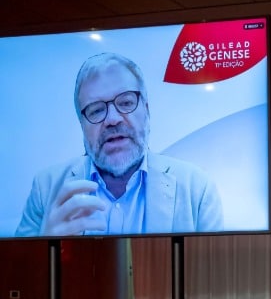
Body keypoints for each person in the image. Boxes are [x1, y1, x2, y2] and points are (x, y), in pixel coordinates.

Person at [15, 52, 222, 237]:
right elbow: (17, 268)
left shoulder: (196, 189)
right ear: (82, 125)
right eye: (96, 110)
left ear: (147, 110)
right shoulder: (46, 188)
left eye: (126, 102)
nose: (112, 119)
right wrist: (45, 246)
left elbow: (213, 267)